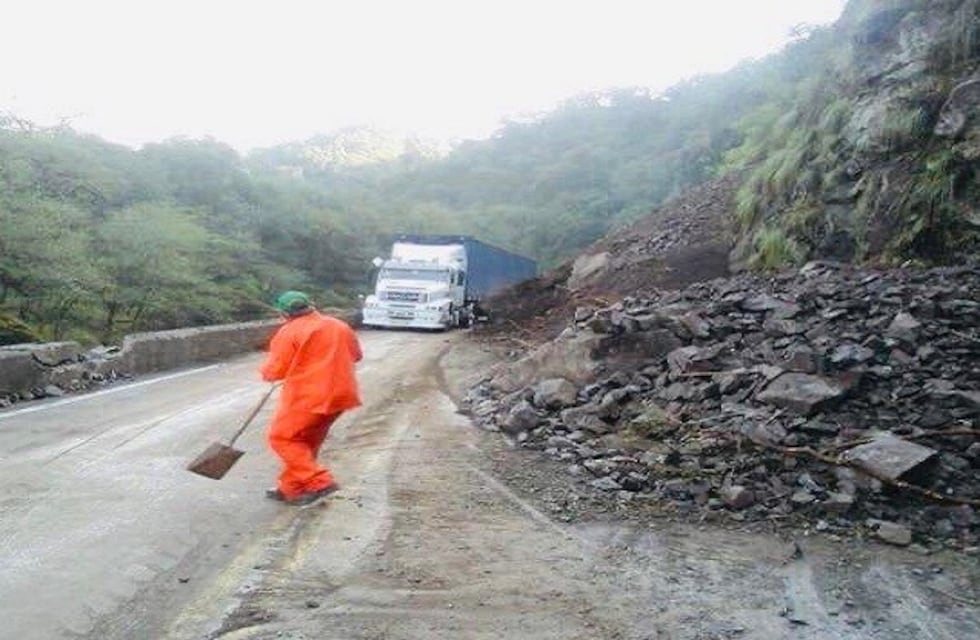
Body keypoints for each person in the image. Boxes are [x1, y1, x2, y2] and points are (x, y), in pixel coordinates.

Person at [259, 290, 363, 505]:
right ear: (311, 305)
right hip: (341, 394)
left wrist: (267, 373)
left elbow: (275, 371)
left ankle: (319, 481)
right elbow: (357, 355)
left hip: (310, 395)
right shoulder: (339, 325)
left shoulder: (289, 331)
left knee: (281, 438)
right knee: (305, 442)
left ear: (284, 313)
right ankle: (292, 488)